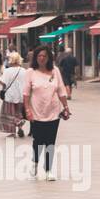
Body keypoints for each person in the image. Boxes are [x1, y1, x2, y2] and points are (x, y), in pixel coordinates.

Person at [25, 45, 71, 180]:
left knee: (50, 141)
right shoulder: (30, 72)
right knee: (38, 140)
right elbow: (26, 94)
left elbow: (61, 90)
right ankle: (35, 162)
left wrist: (66, 107)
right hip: (37, 112)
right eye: (39, 56)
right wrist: (27, 110)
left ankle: (48, 169)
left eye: (44, 56)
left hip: (54, 112)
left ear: (49, 57)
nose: (41, 58)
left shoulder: (55, 71)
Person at [0, 53, 27, 138]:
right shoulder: (24, 71)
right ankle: (20, 125)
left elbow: (3, 82)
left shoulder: (7, 71)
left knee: (10, 113)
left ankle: (13, 131)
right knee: (19, 112)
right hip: (21, 95)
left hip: (10, 95)